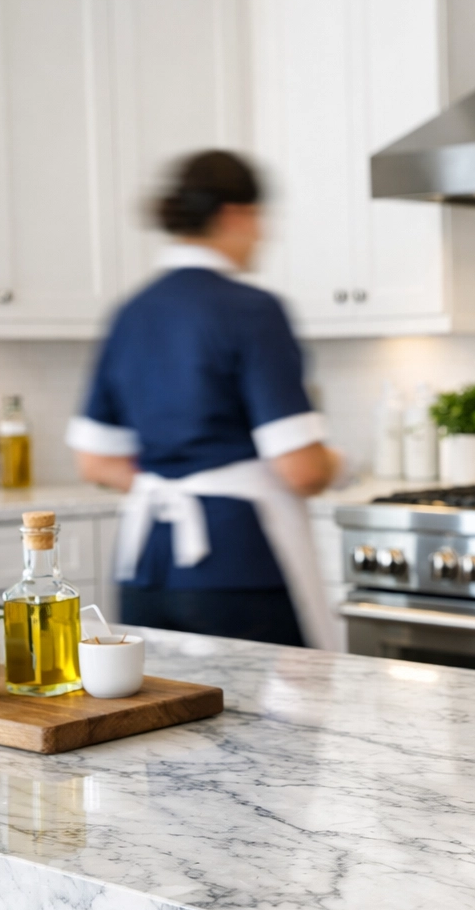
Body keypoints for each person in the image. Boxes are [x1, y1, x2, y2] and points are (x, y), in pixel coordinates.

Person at [67, 150, 344, 648]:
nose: (263, 235)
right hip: (239, 565)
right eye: (260, 218)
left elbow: (95, 462)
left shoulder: (131, 313)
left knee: (164, 701)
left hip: (148, 568)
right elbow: (301, 469)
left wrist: (175, 481)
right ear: (234, 215)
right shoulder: (253, 311)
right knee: (262, 704)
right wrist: (335, 465)